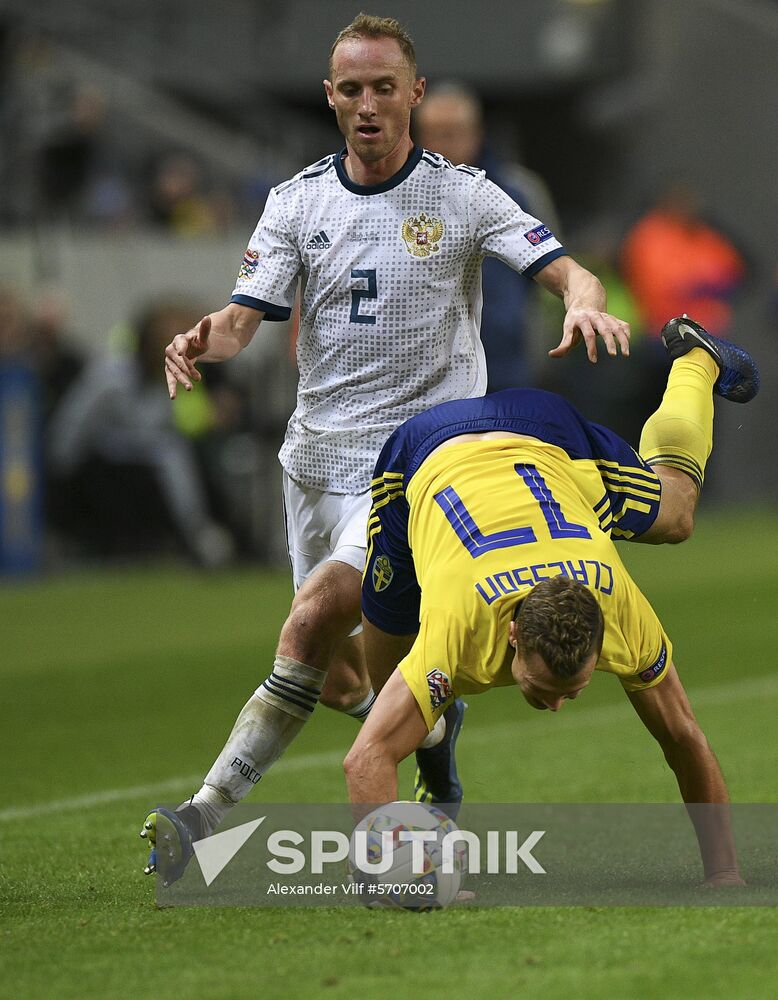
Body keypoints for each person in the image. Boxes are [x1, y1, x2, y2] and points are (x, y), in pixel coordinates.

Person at [141, 13, 630, 881]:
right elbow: (242, 321)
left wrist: (584, 301)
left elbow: (567, 269)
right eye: (351, 90)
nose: (368, 105)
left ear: (415, 93)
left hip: (419, 462)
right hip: (316, 459)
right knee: (333, 678)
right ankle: (433, 738)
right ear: (331, 97)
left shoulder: (467, 195)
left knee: (311, 619)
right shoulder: (297, 201)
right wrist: (201, 337)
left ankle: (201, 819)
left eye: (383, 88)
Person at [343, 316, 759, 886]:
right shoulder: (457, 629)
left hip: (547, 435)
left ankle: (696, 359)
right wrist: (392, 881)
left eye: (573, 690)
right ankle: (429, 787)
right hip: (422, 452)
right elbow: (362, 760)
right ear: (511, 634)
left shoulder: (622, 612)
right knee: (384, 673)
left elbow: (684, 738)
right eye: (547, 689)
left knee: (676, 515)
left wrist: (725, 874)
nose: (559, 707)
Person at [414, 80, 561, 391]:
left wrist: (540, 347)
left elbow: (552, 271)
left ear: (476, 133)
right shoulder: (405, 196)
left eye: (453, 132)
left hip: (507, 364)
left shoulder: (519, 191)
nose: (444, 143)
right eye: (434, 133)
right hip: (428, 372)